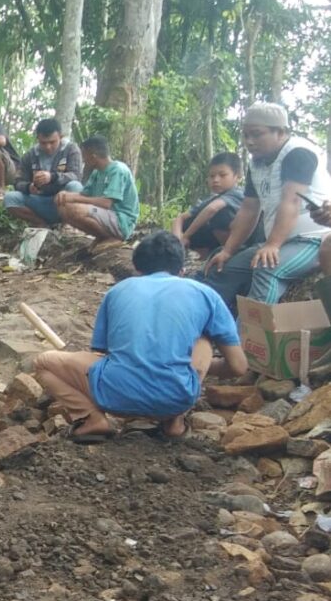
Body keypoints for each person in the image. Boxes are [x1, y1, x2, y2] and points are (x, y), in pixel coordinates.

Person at [34, 231, 247, 442]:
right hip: (176, 398)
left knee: (44, 363)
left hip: (114, 397)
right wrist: (197, 365)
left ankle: (91, 418)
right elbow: (238, 367)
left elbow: (102, 353)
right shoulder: (206, 293)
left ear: (137, 268)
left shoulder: (117, 291)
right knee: (203, 339)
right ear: (182, 270)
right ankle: (175, 423)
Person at [203, 102, 331, 309]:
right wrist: (228, 251)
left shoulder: (297, 153)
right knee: (225, 269)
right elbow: (249, 209)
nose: (249, 142)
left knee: (267, 268)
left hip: (313, 240)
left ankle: (251, 337)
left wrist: (272, 245)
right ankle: (203, 325)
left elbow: (292, 200)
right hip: (283, 241)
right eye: (245, 135)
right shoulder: (257, 162)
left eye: (256, 134)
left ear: (280, 132)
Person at [54, 135, 139, 245]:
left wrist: (73, 198)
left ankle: (111, 238)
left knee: (75, 210)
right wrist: (65, 196)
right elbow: (85, 195)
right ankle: (101, 237)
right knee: (63, 208)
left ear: (93, 157)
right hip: (106, 215)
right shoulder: (97, 172)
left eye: (84, 156)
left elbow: (106, 203)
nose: (83, 160)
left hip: (121, 220)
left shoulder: (118, 170)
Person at [3, 117, 84, 227]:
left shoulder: (71, 150)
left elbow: (76, 175)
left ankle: (68, 224)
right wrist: (28, 187)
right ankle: (42, 224)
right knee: (10, 198)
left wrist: (53, 177)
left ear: (60, 137)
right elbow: (18, 181)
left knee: (75, 186)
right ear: (38, 139)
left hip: (63, 199)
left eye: (52, 142)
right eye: (43, 143)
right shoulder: (30, 155)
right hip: (40, 199)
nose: (48, 146)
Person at [171, 153, 244, 257]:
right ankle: (207, 256)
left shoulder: (238, 193)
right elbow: (180, 218)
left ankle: (232, 254)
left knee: (219, 214)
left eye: (222, 175)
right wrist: (177, 241)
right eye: (212, 176)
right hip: (217, 238)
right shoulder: (213, 198)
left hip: (241, 240)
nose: (215, 180)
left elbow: (212, 209)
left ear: (237, 176)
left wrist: (186, 235)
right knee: (189, 222)